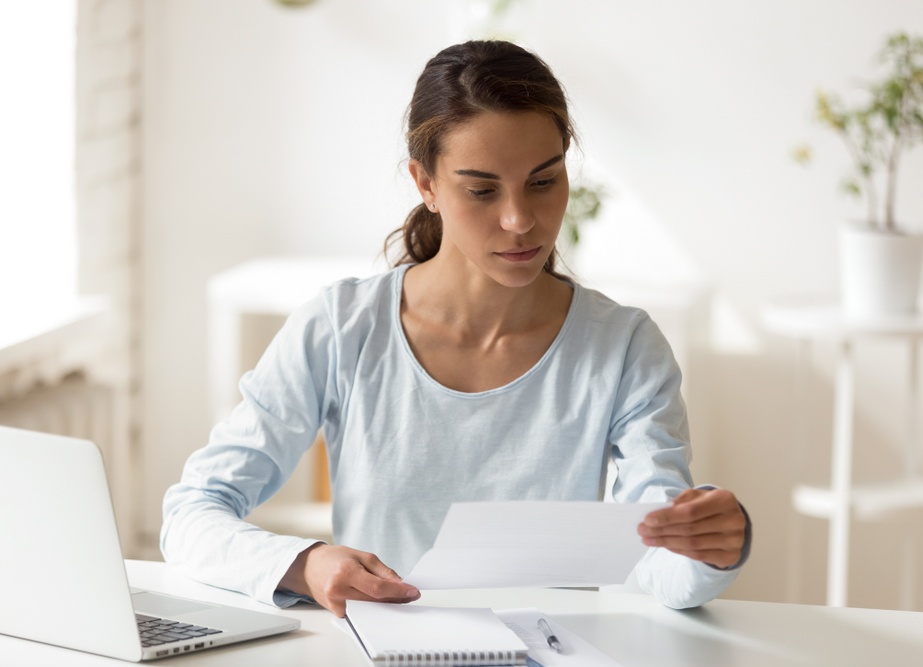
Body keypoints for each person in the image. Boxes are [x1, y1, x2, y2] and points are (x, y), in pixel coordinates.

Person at [161, 39, 750, 619]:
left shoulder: (623, 347)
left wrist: (712, 549)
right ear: (426, 184)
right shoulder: (341, 328)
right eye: (481, 190)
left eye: (543, 182)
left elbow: (660, 552)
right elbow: (193, 513)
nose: (520, 220)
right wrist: (305, 564)